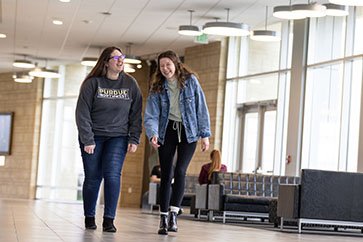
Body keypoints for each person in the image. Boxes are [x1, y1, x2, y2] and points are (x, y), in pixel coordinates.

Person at [75, 46, 142, 233]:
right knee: (93, 177)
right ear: (105, 63)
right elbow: (82, 113)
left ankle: (109, 220)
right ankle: (89, 217)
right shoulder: (92, 84)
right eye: (115, 58)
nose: (120, 60)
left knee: (112, 175)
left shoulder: (130, 84)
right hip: (93, 137)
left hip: (118, 137)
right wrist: (87, 139)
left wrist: (134, 138)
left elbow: (136, 114)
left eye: (122, 57)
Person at [144, 50, 211, 235]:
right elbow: (151, 114)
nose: (165, 69)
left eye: (168, 64)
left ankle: (174, 214)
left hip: (189, 132)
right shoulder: (157, 86)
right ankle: (163, 218)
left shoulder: (190, 81)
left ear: (176, 63)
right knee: (167, 173)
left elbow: (201, 108)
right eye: (162, 66)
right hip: (167, 131)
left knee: (181, 171)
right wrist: (153, 134)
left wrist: (205, 135)